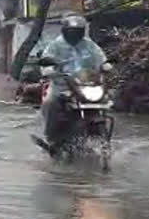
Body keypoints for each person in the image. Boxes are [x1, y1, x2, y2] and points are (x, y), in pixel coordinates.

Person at [40, 14, 107, 145]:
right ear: (65, 31)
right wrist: (49, 70)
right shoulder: (55, 45)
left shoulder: (89, 45)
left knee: (107, 100)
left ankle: (103, 138)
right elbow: (47, 61)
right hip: (62, 86)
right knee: (50, 103)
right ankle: (50, 137)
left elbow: (100, 58)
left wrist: (105, 65)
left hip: (86, 85)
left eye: (77, 31)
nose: (74, 34)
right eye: (71, 31)